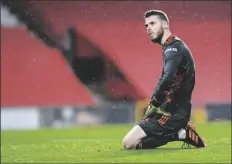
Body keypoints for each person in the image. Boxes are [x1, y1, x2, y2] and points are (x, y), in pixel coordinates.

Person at [122, 10, 206, 149]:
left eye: (153, 23)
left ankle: (180, 133)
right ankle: (180, 132)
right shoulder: (172, 46)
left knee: (129, 143)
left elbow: (167, 78)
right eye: (146, 25)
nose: (148, 28)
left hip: (173, 113)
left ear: (165, 24)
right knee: (133, 142)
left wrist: (154, 101)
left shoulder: (173, 48)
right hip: (168, 109)